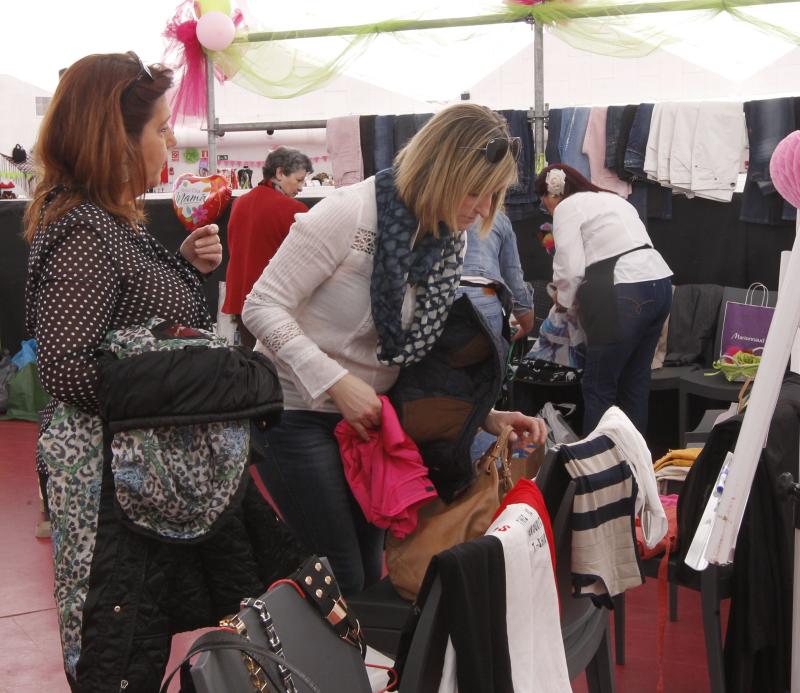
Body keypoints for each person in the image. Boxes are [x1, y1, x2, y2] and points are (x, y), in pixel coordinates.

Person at [23, 52, 304, 691]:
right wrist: (219, 383)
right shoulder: (85, 232)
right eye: (158, 129)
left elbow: (130, 331)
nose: (169, 141)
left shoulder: (109, 224)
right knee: (120, 655)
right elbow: (69, 369)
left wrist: (178, 269)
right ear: (112, 139)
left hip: (152, 478)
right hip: (115, 487)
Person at [243, 103, 548, 595]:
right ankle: (319, 669)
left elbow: (419, 354)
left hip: (370, 424)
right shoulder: (349, 213)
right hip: (295, 412)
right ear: (440, 171)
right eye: (474, 191)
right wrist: (336, 382)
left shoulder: (447, 242)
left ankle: (348, 669)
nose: (482, 209)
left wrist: (486, 416)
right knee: (339, 570)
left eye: (493, 195)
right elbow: (261, 306)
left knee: (367, 564)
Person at [534, 163, 673, 435]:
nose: (548, 211)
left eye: (545, 204)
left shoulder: (566, 207)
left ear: (552, 195)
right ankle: (633, 469)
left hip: (623, 291)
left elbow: (570, 268)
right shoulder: (614, 199)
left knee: (599, 388)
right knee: (635, 384)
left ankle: (597, 471)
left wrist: (561, 302)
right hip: (661, 284)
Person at [222, 147, 313, 348]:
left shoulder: (239, 203)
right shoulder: (295, 210)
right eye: (299, 180)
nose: (301, 188)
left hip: (240, 299)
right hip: (273, 303)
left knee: (253, 365)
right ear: (280, 173)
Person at [456, 210, 534, 343]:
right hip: (485, 299)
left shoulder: (429, 210)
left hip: (437, 303)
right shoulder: (496, 218)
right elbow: (513, 279)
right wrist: (527, 324)